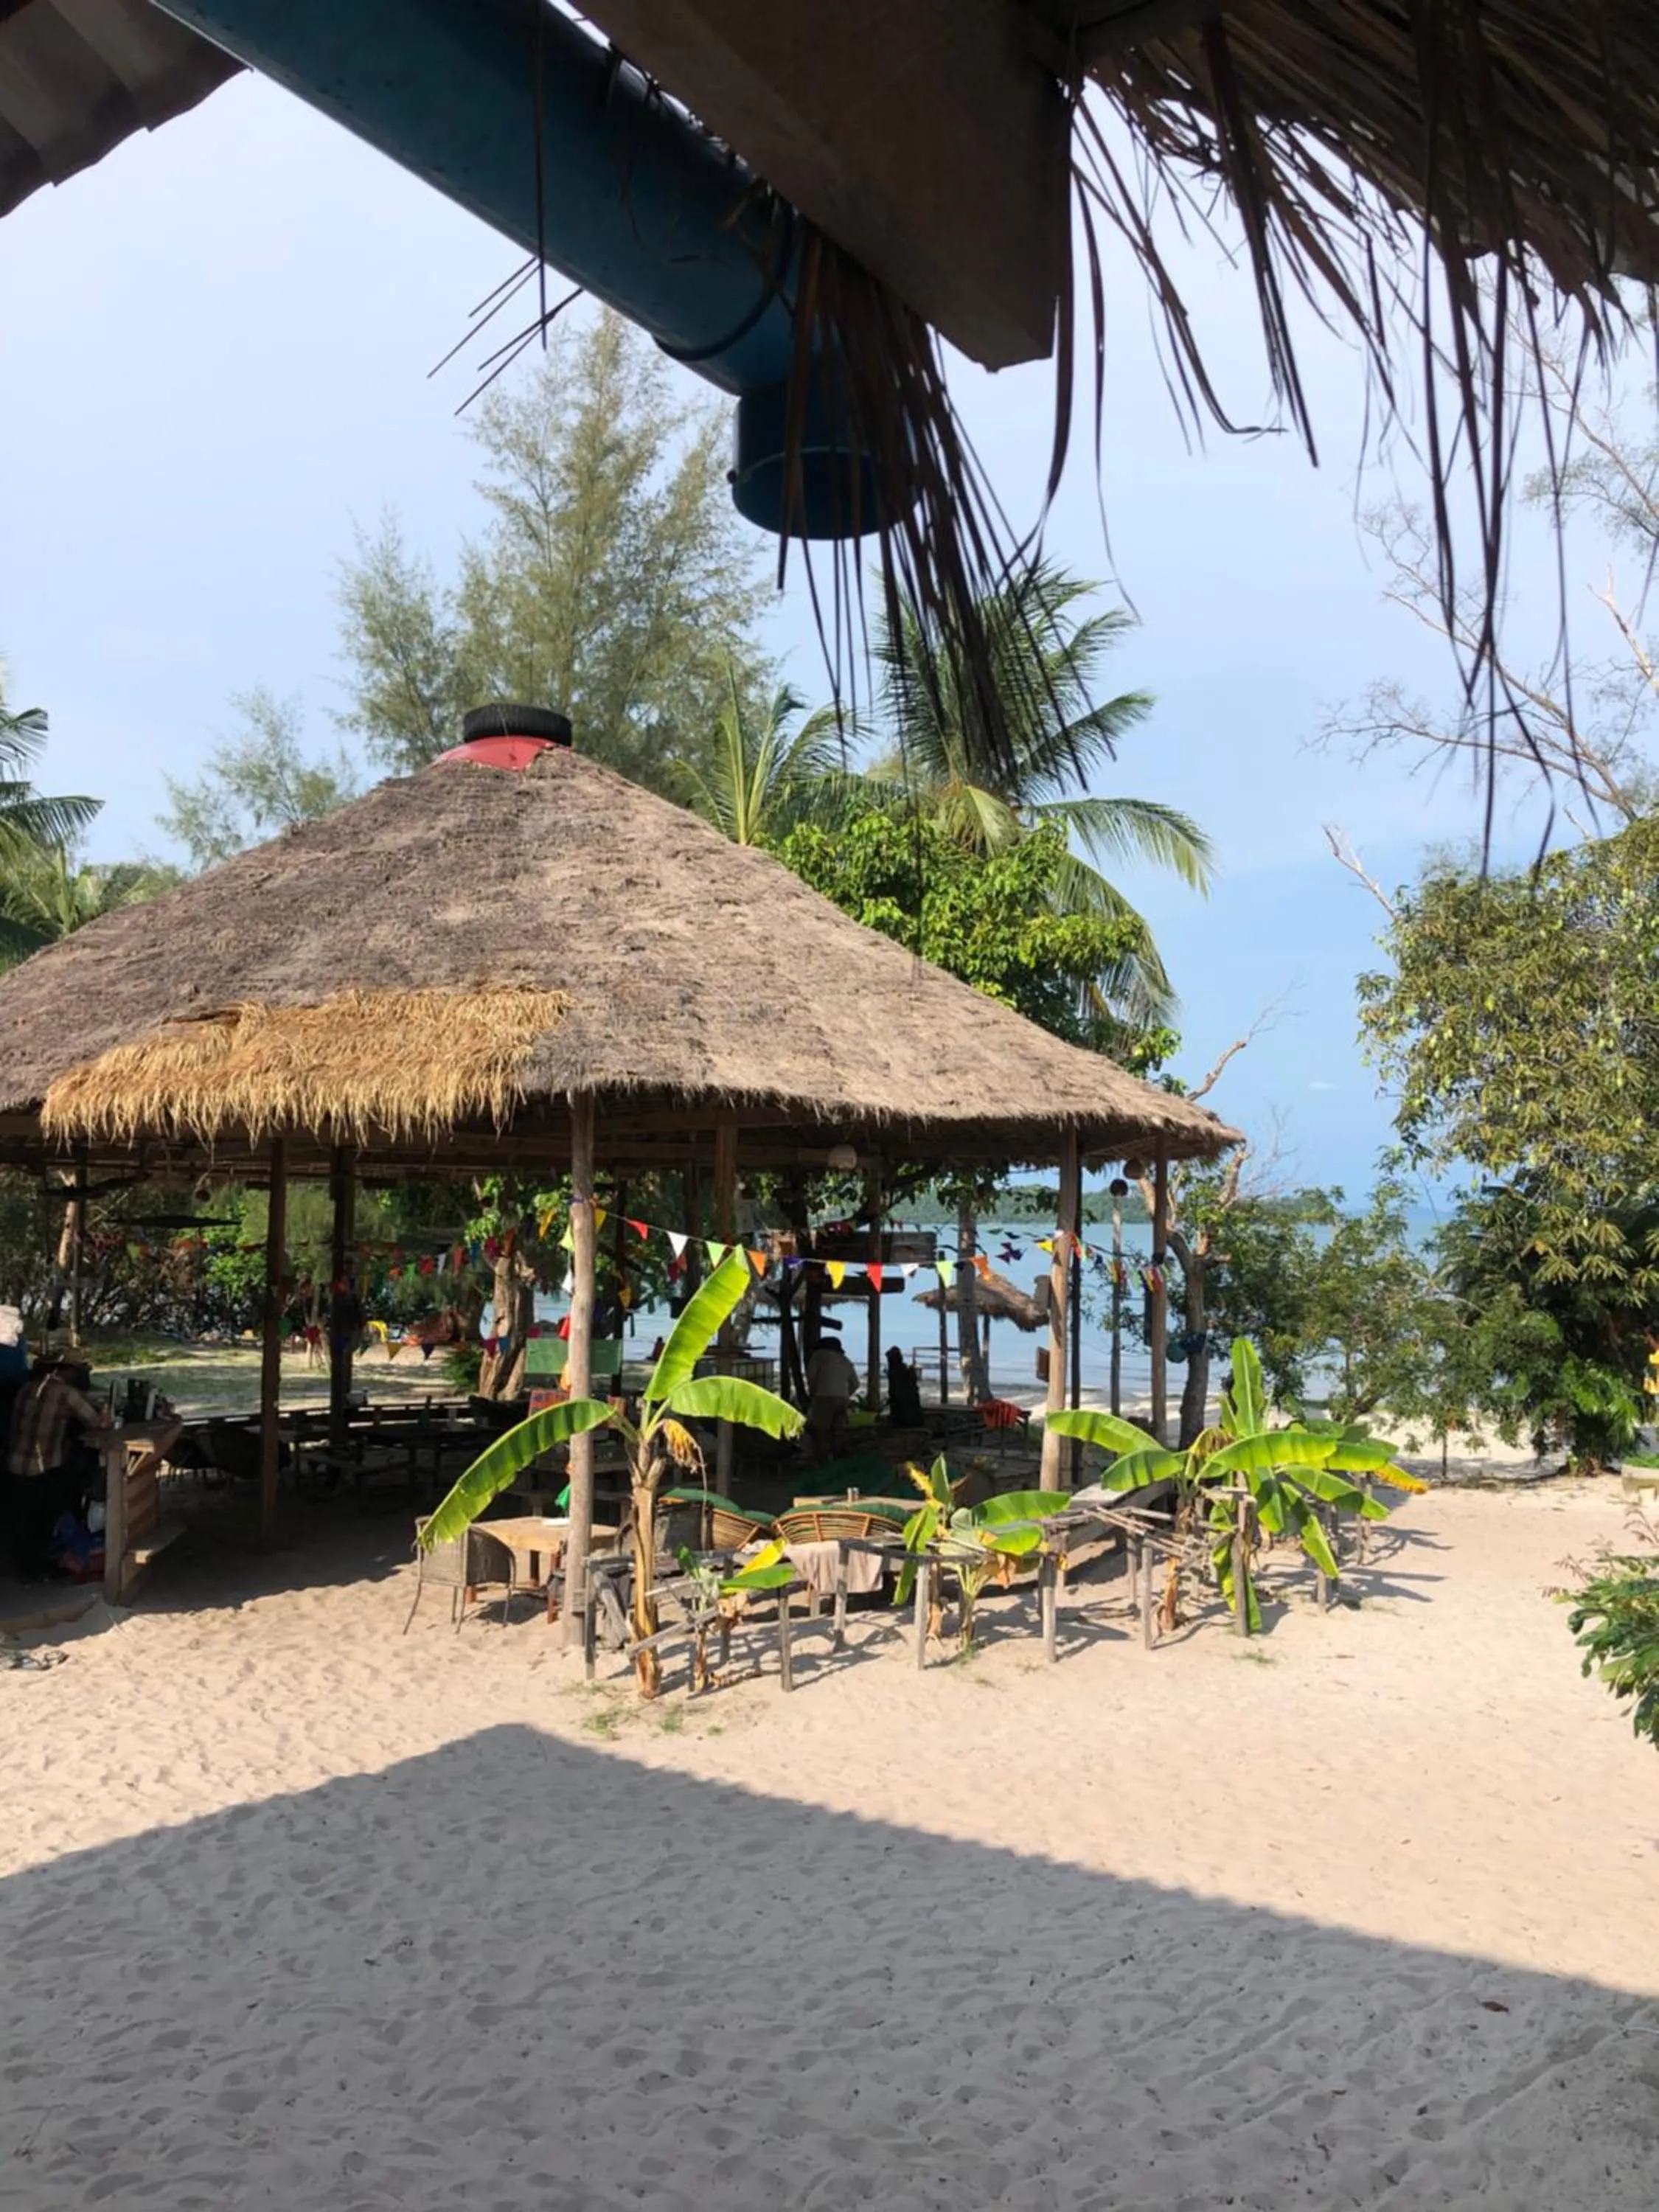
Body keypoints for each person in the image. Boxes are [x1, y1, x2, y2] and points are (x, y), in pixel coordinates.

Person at [7, 1352, 108, 1581]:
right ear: (64, 1370)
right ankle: (43, 1567)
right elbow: (97, 1423)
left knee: (23, 1519)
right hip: (44, 1467)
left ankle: (25, 1569)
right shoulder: (66, 1393)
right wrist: (104, 1411)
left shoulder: (27, 1388)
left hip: (15, 1464)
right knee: (46, 1518)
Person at [804, 1334, 858, 1464]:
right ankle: (837, 1462)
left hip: (824, 1396)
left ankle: (822, 1463)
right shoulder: (846, 1361)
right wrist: (846, 1394)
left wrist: (814, 1392)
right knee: (837, 1432)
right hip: (843, 1398)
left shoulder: (818, 1355)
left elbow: (811, 1376)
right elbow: (855, 1384)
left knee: (822, 1432)